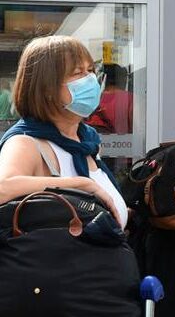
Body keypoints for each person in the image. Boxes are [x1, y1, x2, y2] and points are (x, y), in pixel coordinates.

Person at [0, 35, 125, 226]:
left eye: (91, 70)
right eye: (78, 73)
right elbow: (3, 188)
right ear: (47, 87)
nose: (91, 79)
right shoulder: (26, 142)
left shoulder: (87, 143)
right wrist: (81, 185)